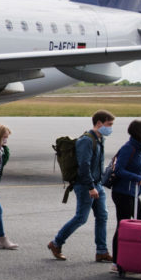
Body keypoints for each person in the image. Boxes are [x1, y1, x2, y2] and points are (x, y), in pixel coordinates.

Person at [48, 110, 116, 262]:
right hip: (86, 185)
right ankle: (56, 243)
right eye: (109, 124)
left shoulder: (100, 139)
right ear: (99, 123)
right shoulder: (86, 140)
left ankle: (101, 251)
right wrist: (91, 187)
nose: (110, 128)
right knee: (81, 218)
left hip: (96, 184)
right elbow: (84, 165)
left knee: (102, 216)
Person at [109, 119, 141, 263]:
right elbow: (119, 170)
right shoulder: (129, 148)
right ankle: (117, 261)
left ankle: (135, 256)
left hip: (132, 193)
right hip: (123, 193)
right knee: (122, 225)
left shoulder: (139, 149)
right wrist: (137, 178)